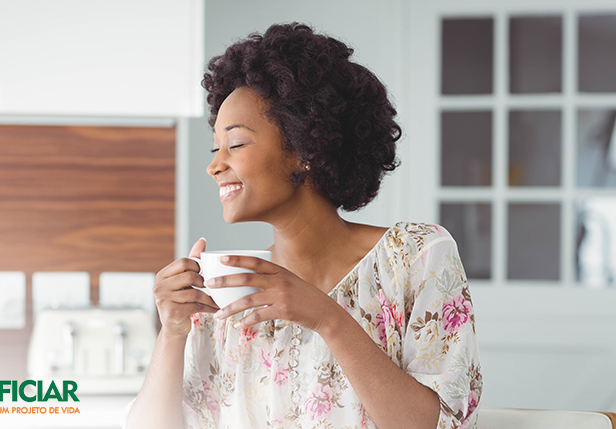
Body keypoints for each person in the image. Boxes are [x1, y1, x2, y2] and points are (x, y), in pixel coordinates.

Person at [125, 22, 481, 429]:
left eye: (236, 144)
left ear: (305, 146)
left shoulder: (416, 257)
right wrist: (172, 332)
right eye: (214, 147)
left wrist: (327, 318)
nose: (213, 165)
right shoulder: (225, 292)